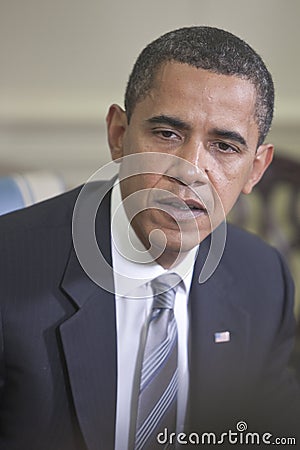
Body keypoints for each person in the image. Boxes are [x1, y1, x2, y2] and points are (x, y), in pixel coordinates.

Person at [0, 26, 299, 450]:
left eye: (225, 147)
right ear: (119, 136)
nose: (190, 170)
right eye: (167, 134)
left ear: (256, 168)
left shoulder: (264, 279)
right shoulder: (8, 269)